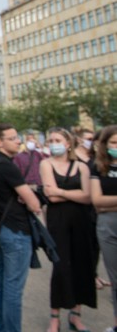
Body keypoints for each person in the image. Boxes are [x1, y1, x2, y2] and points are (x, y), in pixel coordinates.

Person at [0, 123, 43, 332]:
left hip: (2, 229)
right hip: (16, 231)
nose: (18, 141)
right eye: (12, 138)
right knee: (12, 288)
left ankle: (3, 328)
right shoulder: (6, 166)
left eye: (17, 137)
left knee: (0, 284)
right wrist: (28, 197)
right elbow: (34, 204)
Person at [40, 127, 96, 332]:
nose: (54, 143)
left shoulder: (81, 167)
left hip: (81, 221)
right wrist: (73, 193)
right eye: (51, 140)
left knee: (81, 266)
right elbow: (51, 197)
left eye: (58, 139)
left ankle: (76, 315)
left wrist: (60, 191)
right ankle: (55, 317)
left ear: (68, 143)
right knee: (60, 268)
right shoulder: (46, 163)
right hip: (58, 221)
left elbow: (88, 197)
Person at [91, 125, 117, 332]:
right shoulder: (98, 167)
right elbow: (97, 201)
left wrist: (109, 202)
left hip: (108, 216)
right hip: (108, 226)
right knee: (115, 278)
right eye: (114, 143)